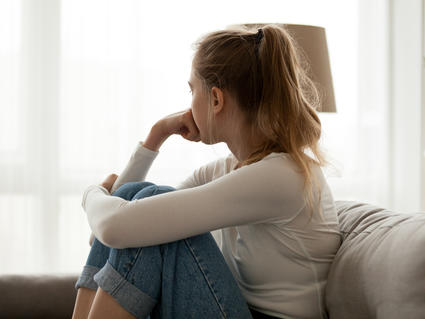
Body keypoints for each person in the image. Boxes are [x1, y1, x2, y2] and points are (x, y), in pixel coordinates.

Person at [71, 24, 341, 319]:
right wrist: (156, 136)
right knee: (142, 199)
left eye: (192, 91)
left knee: (151, 210)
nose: (189, 103)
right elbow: (116, 225)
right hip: (237, 309)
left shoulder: (281, 176)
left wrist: (91, 194)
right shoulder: (231, 169)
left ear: (216, 99)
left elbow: (113, 227)